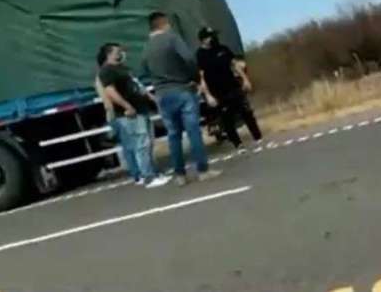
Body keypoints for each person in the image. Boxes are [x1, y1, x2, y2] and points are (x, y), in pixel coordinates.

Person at [142, 12, 221, 186]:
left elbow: (145, 69)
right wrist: (194, 78)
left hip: (162, 94)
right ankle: (203, 170)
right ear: (163, 24)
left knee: (173, 135)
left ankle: (180, 175)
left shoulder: (146, 47)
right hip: (182, 89)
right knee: (193, 131)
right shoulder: (172, 38)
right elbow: (189, 58)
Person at [97, 43, 170, 189]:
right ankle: (148, 177)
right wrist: (126, 106)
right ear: (109, 54)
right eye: (117, 51)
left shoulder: (124, 69)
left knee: (148, 142)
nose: (121, 54)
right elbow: (110, 92)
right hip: (129, 113)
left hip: (141, 109)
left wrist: (151, 97)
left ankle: (153, 172)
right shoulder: (107, 71)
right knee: (140, 144)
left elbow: (137, 86)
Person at [196, 26, 263, 149]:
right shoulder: (201, 55)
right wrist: (208, 95)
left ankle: (258, 138)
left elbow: (235, 65)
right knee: (227, 118)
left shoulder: (223, 49)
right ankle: (238, 144)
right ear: (204, 39)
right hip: (217, 91)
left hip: (233, 86)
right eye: (211, 36)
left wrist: (245, 79)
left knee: (246, 112)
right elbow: (201, 77)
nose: (214, 38)